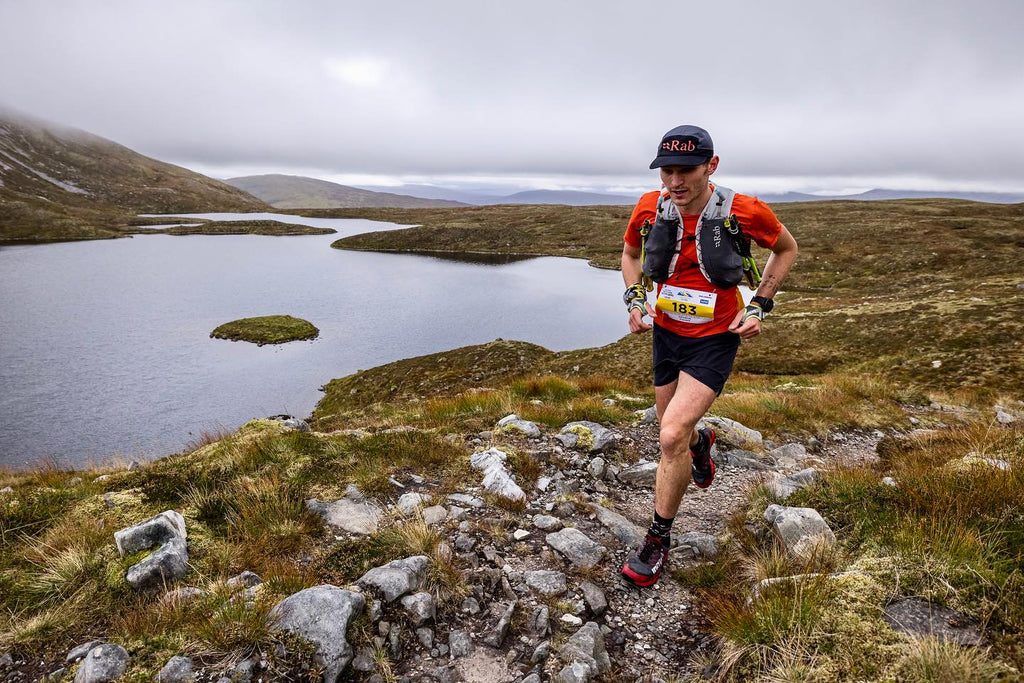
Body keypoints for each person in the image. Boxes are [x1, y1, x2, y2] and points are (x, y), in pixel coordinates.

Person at [619, 125, 799, 587]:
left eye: (686, 171)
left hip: (716, 336)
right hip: (667, 334)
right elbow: (629, 254)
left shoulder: (743, 210)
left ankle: (657, 541)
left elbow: (786, 249)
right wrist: (635, 300)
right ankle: (703, 446)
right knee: (675, 432)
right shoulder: (650, 207)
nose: (675, 182)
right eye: (667, 171)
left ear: (711, 166)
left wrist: (761, 304)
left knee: (670, 433)